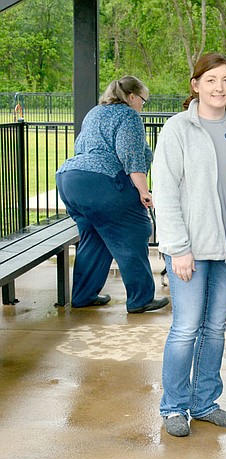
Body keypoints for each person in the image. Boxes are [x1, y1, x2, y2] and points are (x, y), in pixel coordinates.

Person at [152, 53, 226, 438]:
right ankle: (174, 406)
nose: (219, 88)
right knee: (186, 327)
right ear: (196, 85)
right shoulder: (178, 129)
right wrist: (178, 248)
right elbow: (165, 191)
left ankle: (205, 402)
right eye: (211, 80)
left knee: (215, 328)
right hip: (191, 249)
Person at [55, 76, 168, 313]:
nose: (141, 107)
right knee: (135, 230)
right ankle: (141, 299)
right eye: (143, 101)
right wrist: (144, 191)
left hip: (69, 179)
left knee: (94, 236)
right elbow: (132, 157)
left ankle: (84, 295)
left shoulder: (95, 112)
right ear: (132, 97)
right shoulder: (128, 115)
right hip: (100, 182)